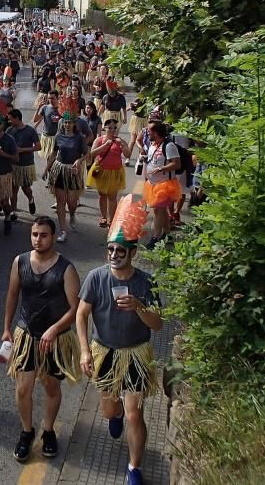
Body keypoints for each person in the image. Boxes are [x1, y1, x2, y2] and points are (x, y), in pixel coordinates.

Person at [77, 200, 164, 485]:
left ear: (133, 253)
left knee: (134, 415)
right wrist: (84, 351)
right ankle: (113, 416)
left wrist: (139, 306)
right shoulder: (96, 277)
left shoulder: (147, 282)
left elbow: (158, 324)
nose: (114, 255)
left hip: (137, 353)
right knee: (111, 410)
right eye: (111, 249)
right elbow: (81, 314)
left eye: (120, 250)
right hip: (105, 352)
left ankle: (134, 468)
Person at [1, 216, 81, 462]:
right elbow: (12, 294)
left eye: (44, 235)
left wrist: (55, 329)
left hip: (55, 340)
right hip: (26, 333)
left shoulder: (66, 269)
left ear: (53, 237)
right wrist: (7, 328)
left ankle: (48, 430)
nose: (38, 239)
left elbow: (75, 309)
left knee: (51, 387)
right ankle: (27, 432)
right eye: (35, 234)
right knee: (23, 388)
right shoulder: (20, 262)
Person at [43, 114, 88, 243]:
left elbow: (87, 154)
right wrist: (46, 169)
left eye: (69, 122)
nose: (67, 125)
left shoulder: (79, 138)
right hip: (59, 170)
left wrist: (79, 160)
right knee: (60, 201)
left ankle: (72, 214)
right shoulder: (58, 136)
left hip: (73, 171)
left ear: (74, 124)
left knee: (72, 202)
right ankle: (63, 231)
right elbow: (53, 153)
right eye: (65, 122)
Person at [142, 121, 182, 248]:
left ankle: (155, 238)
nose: (147, 132)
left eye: (149, 130)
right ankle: (167, 235)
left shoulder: (169, 146)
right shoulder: (152, 144)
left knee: (158, 211)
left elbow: (177, 164)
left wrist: (161, 169)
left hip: (165, 185)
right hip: (152, 184)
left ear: (156, 132)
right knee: (161, 210)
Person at [87, 119, 130, 228]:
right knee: (102, 195)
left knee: (112, 197)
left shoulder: (120, 140)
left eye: (114, 128)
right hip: (101, 171)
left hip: (115, 172)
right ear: (104, 128)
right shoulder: (99, 140)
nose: (112, 130)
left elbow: (128, 154)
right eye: (109, 128)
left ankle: (112, 220)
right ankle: (103, 217)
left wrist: (122, 145)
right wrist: (104, 145)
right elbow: (92, 154)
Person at [6, 109, 41, 214]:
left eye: (10, 119)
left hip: (26, 164)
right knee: (13, 189)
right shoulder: (9, 130)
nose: (9, 121)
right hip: (13, 164)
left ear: (17, 118)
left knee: (26, 188)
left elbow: (38, 147)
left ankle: (31, 199)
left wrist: (22, 150)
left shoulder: (30, 131)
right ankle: (13, 212)